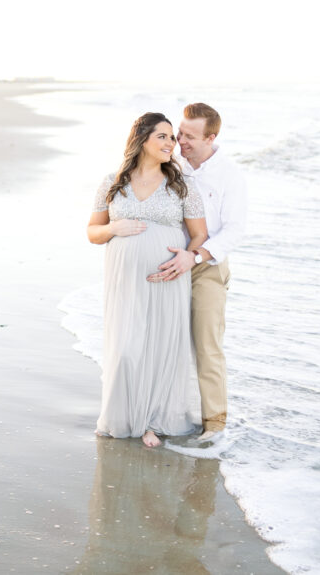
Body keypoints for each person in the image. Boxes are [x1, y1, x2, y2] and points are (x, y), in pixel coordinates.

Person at [87, 112, 208, 448]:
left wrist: (187, 257)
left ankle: (151, 422)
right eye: (163, 136)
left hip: (167, 278)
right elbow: (92, 232)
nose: (172, 144)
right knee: (126, 349)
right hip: (124, 283)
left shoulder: (182, 186)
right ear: (142, 139)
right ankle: (124, 416)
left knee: (159, 348)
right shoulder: (113, 183)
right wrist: (112, 228)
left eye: (173, 138)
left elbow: (199, 235)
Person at [149, 102, 247, 440]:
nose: (181, 141)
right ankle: (160, 414)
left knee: (207, 344)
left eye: (189, 137)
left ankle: (215, 424)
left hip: (207, 267)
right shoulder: (170, 162)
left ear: (211, 137)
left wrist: (196, 255)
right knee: (163, 343)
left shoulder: (229, 175)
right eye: (179, 134)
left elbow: (234, 231)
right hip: (166, 264)